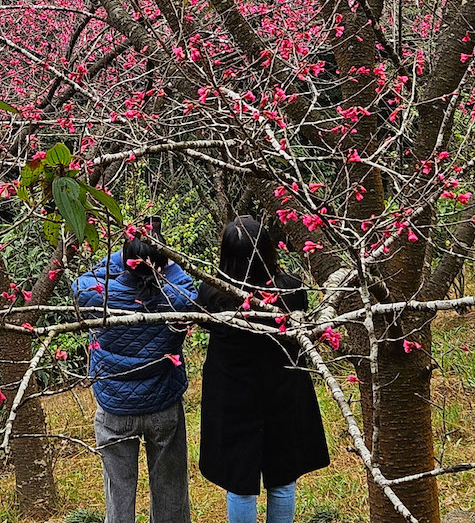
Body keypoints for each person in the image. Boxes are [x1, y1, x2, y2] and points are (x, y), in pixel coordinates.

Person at [198, 216, 330, 523]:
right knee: (282, 479)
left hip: (233, 396)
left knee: (239, 483)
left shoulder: (212, 295)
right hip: (282, 392)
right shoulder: (291, 289)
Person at [72, 227, 197, 523]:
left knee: (118, 495)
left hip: (115, 407)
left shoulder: (97, 297)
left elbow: (80, 283)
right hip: (162, 403)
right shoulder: (177, 299)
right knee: (171, 491)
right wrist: (164, 259)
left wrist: (125, 252)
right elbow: (188, 286)